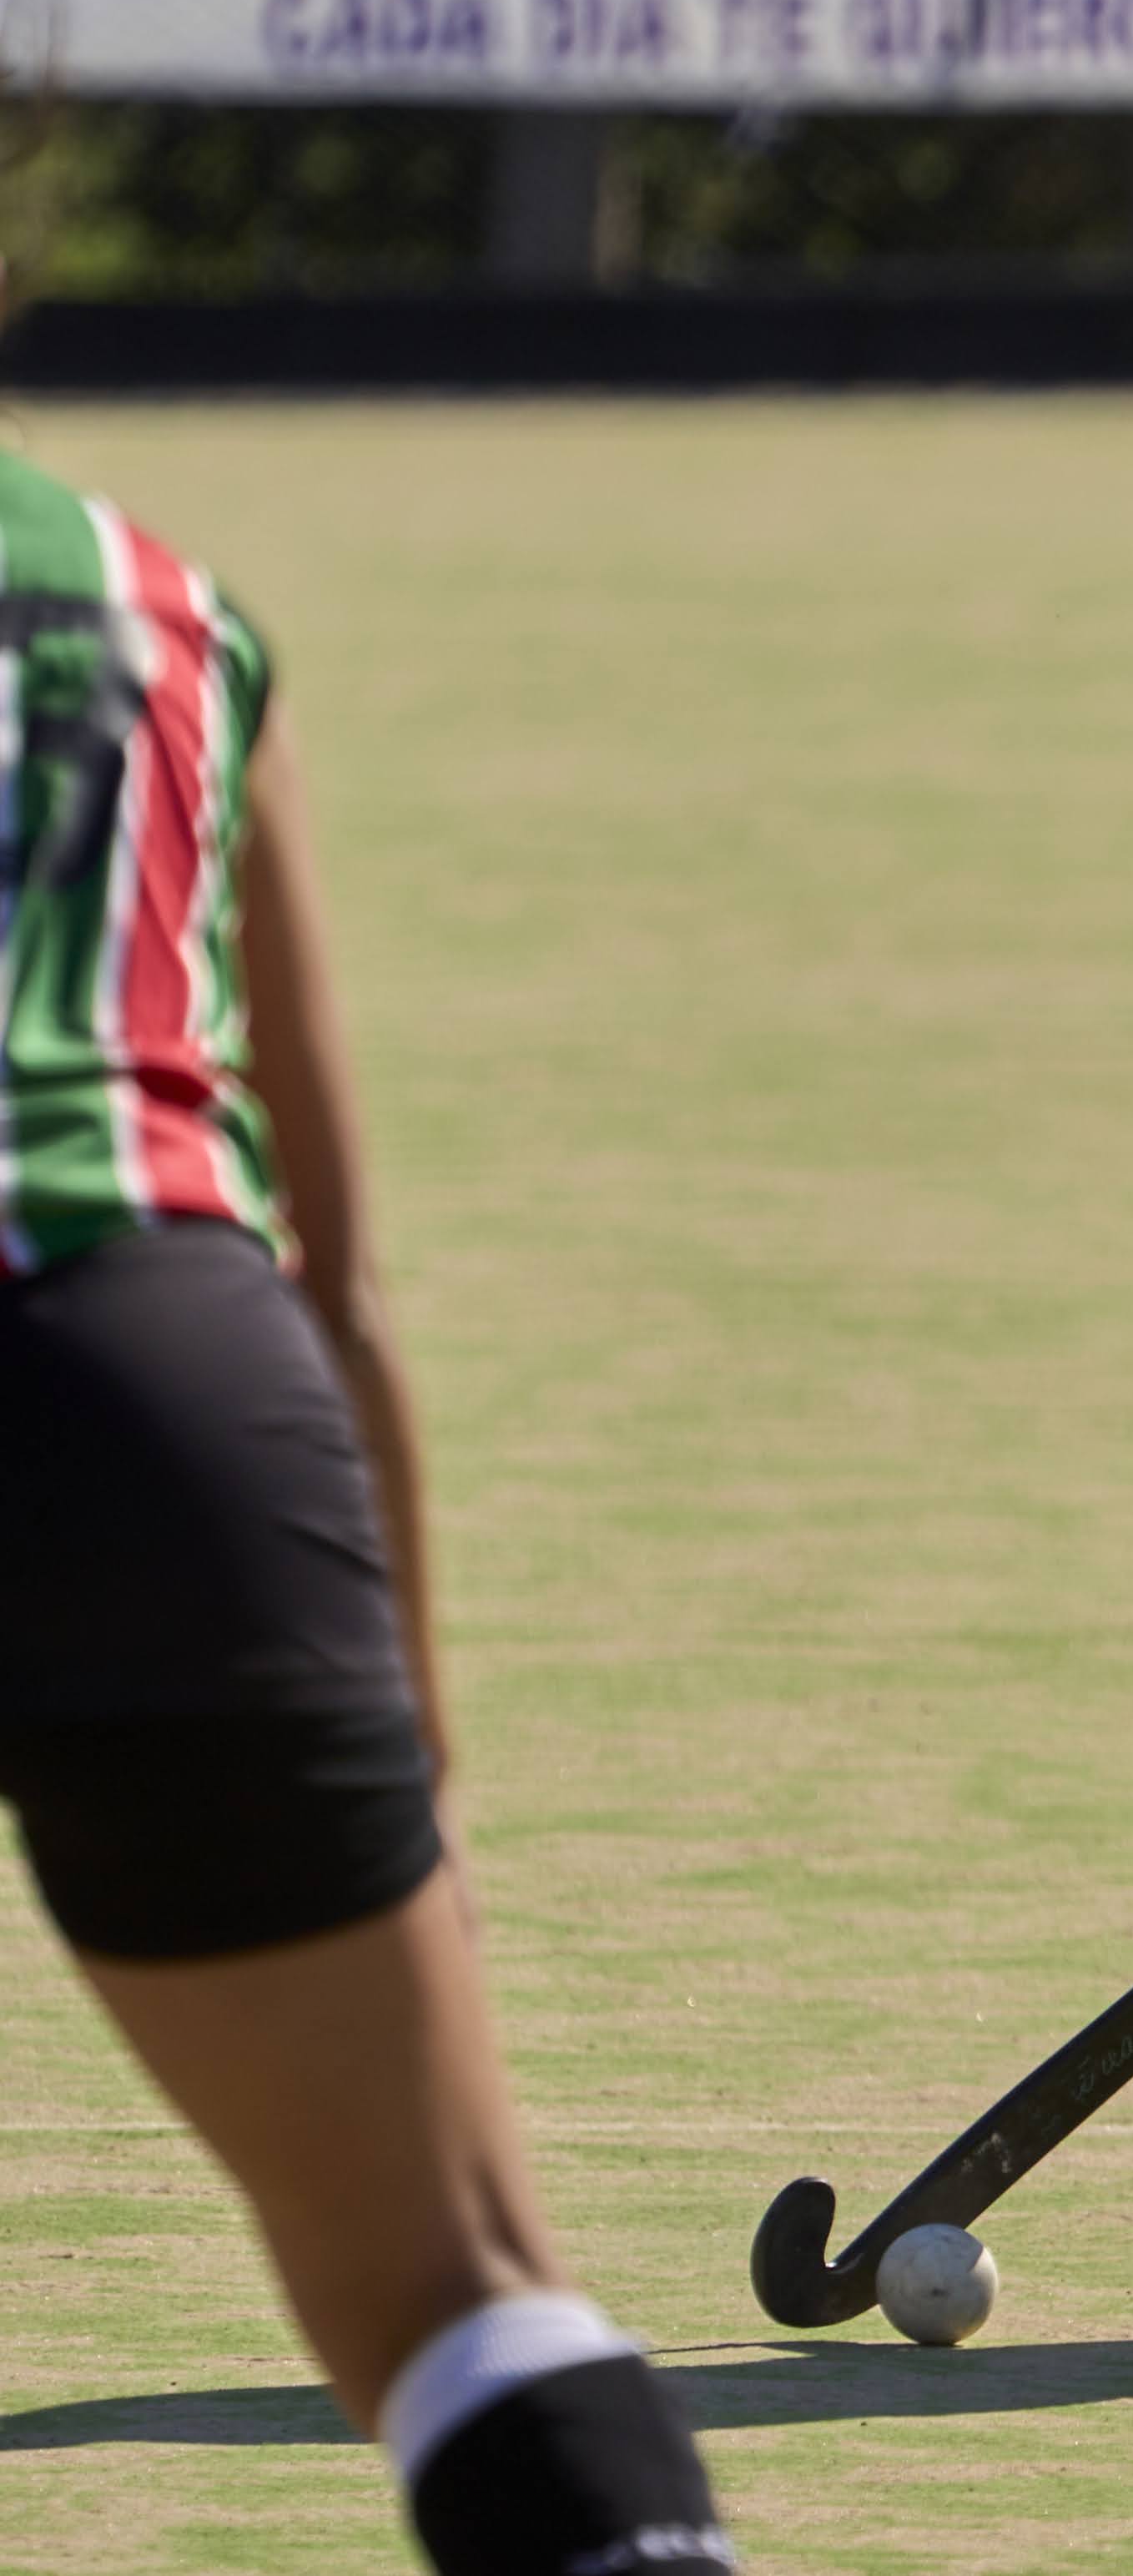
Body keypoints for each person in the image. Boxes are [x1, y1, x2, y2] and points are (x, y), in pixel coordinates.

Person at [0, 432, 736, 2570]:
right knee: (453, 2288)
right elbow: (342, 1272)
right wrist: (410, 1740)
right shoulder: (166, 606)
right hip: (161, 1392)